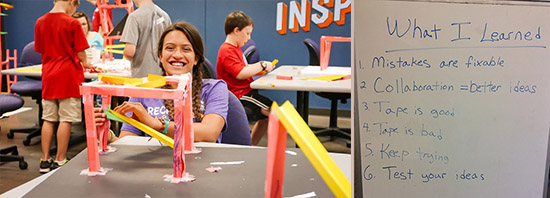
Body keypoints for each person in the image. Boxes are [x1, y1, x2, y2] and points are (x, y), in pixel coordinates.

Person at [94, 21, 230, 143]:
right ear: (160, 55)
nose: (177, 55)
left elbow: (209, 133)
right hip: (153, 167)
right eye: (170, 48)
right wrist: (108, 135)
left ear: (196, 58)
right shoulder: (143, 92)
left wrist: (157, 125)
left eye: (186, 49)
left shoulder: (214, 88)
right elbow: (128, 142)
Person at [35, 0, 90, 173]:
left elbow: (41, 49)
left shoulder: (40, 22)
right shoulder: (72, 22)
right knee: (65, 119)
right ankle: (60, 159)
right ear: (73, 2)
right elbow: (81, 52)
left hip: (49, 76)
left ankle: (44, 160)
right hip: (67, 76)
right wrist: (86, 62)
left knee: (49, 119)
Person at [216, 11, 273, 145]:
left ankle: (251, 145)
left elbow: (244, 68)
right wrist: (262, 65)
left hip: (246, 92)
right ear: (236, 31)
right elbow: (240, 73)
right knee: (276, 112)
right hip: (240, 96)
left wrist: (258, 69)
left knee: (266, 118)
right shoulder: (227, 50)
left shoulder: (235, 48)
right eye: (247, 33)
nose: (248, 38)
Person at [121, 0, 171, 77]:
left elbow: (129, 52)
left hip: (141, 77)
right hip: (162, 76)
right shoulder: (165, 16)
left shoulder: (134, 17)